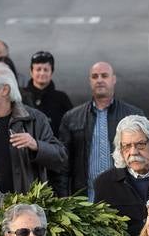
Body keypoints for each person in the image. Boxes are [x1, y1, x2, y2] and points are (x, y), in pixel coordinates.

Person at [0, 63, 66, 195]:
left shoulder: (34, 119)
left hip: (23, 207)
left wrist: (36, 145)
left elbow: (60, 158)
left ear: (5, 90)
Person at [55, 62, 143, 199]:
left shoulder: (133, 116)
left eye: (104, 76)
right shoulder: (72, 118)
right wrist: (64, 199)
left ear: (113, 79)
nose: (100, 80)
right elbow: (62, 164)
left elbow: (146, 159)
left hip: (124, 198)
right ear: (90, 81)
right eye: (95, 76)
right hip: (85, 200)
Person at [21, 51, 73, 135]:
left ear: (51, 72)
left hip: (53, 146)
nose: (42, 73)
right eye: (38, 69)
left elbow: (71, 125)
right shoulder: (20, 96)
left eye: (46, 70)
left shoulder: (61, 98)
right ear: (31, 71)